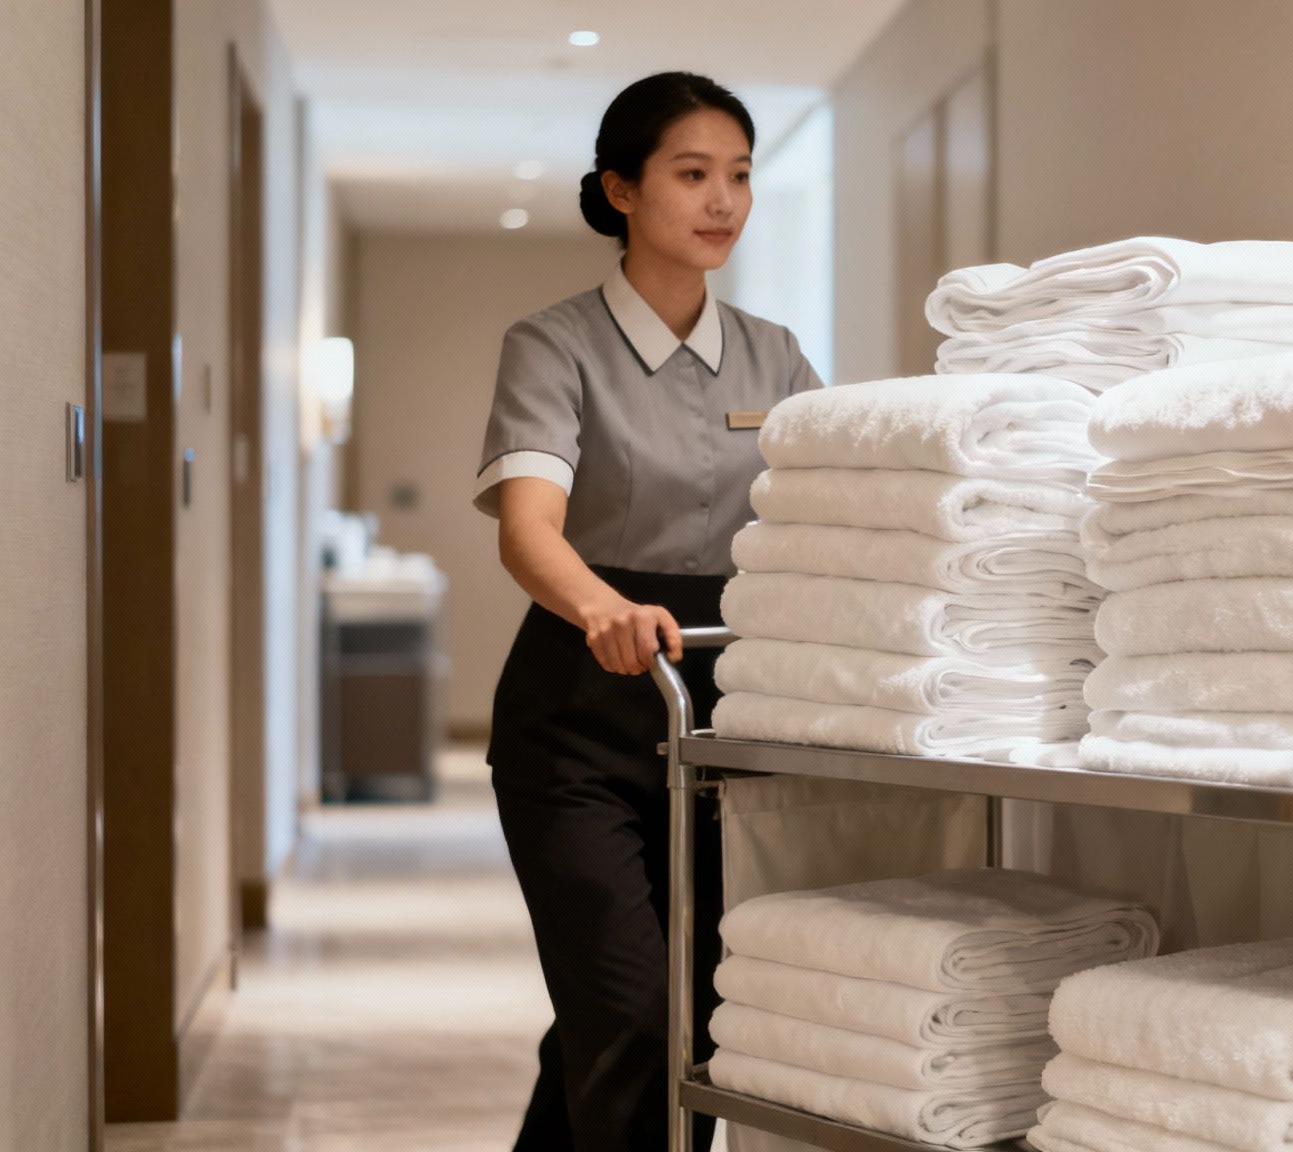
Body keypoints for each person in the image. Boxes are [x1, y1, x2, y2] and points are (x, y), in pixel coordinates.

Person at [473, 71, 823, 1151]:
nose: (721, 200)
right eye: (690, 174)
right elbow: (528, 527)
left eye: (738, 176)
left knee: (685, 1013)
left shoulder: (777, 355)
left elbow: (829, 522)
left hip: (730, 710)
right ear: (620, 189)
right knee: (629, 1011)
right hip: (580, 710)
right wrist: (603, 609)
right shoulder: (554, 345)